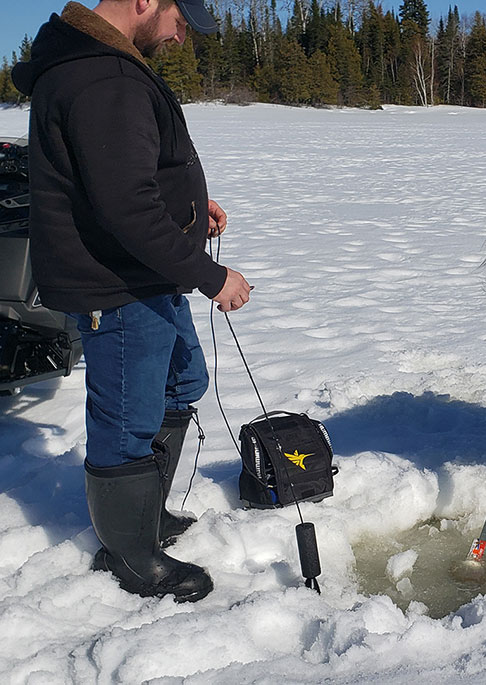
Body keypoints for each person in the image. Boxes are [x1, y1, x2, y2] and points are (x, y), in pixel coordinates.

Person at [12, 0, 251, 601]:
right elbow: (125, 207)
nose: (179, 36)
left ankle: (143, 518)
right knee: (127, 421)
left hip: (145, 273)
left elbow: (122, 180)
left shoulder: (104, 65)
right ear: (145, 1)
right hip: (115, 285)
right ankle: (130, 557)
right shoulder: (102, 76)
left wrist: (191, 215)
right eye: (178, 20)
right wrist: (209, 273)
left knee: (181, 383)